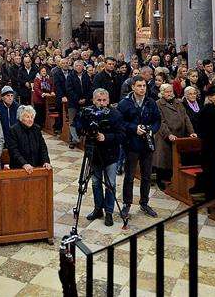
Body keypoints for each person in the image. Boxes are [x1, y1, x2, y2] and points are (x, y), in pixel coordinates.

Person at [118, 76, 162, 218]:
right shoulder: (124, 104)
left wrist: (152, 130)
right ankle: (127, 203)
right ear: (133, 87)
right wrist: (133, 128)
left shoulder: (151, 102)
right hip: (132, 144)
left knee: (146, 176)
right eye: (139, 86)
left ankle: (144, 202)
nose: (142, 88)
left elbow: (157, 120)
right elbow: (119, 123)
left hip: (147, 143)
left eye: (144, 86)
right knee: (130, 176)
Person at [79, 89, 125, 226]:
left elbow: (122, 135)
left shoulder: (115, 114)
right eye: (99, 100)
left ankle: (109, 212)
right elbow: (78, 127)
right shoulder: (88, 113)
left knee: (110, 184)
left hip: (110, 154)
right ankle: (98, 209)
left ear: (109, 101)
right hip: (94, 154)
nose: (102, 103)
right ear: (93, 100)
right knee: (95, 183)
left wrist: (106, 137)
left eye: (104, 100)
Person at [154, 83, 197, 191]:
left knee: (176, 160)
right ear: (162, 93)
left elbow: (186, 118)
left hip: (180, 135)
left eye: (171, 91)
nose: (169, 94)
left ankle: (176, 181)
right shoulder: (158, 104)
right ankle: (161, 180)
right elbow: (161, 122)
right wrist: (168, 134)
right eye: (167, 92)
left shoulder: (178, 102)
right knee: (164, 160)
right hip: (165, 136)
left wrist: (191, 132)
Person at [7, 105, 52, 174]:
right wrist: (24, 164)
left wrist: (46, 161)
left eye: (32, 117)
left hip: (36, 167)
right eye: (27, 117)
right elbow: (13, 151)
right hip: (19, 168)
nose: (30, 119)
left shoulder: (36, 129)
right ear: (21, 118)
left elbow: (42, 147)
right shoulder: (13, 130)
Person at [66, 59, 92, 149]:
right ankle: (71, 141)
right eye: (77, 66)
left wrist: (85, 99)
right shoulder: (70, 76)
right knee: (72, 121)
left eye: (80, 66)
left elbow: (90, 89)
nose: (78, 67)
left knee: (83, 121)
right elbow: (69, 90)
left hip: (85, 102)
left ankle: (79, 139)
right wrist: (77, 100)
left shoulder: (86, 76)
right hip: (73, 103)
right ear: (74, 67)